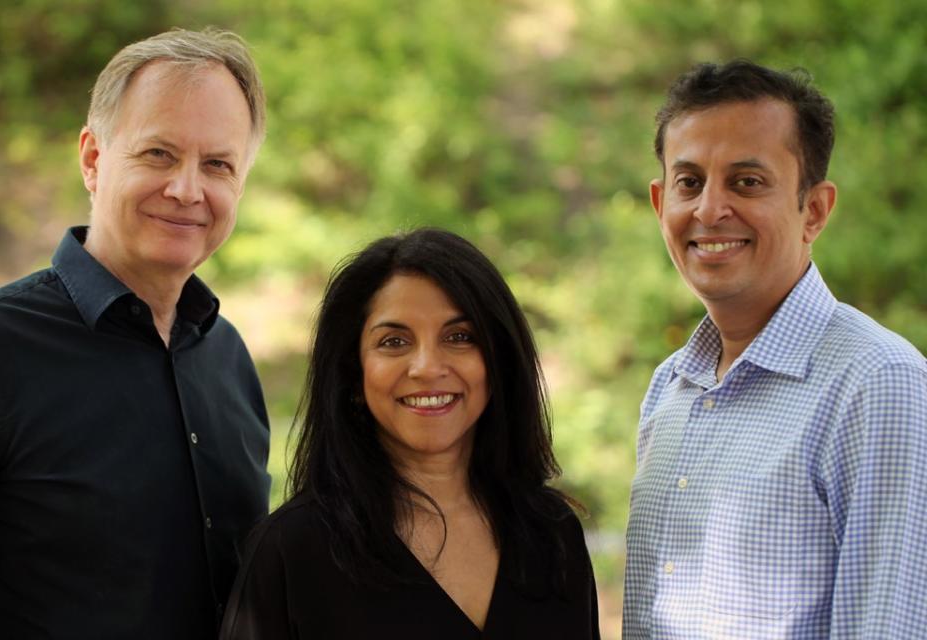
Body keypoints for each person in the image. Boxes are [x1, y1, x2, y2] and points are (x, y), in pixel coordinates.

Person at [0, 28, 271, 638]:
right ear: (92, 159)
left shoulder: (229, 357)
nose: (187, 190)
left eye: (217, 164)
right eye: (158, 153)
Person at [623, 59, 927, 638]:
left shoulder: (878, 383)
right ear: (661, 202)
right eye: (689, 182)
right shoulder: (671, 387)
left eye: (747, 181)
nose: (710, 210)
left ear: (814, 209)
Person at [220, 228, 600, 639]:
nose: (426, 367)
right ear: (354, 373)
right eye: (394, 341)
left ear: (498, 361)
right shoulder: (290, 552)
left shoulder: (552, 535)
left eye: (459, 337)